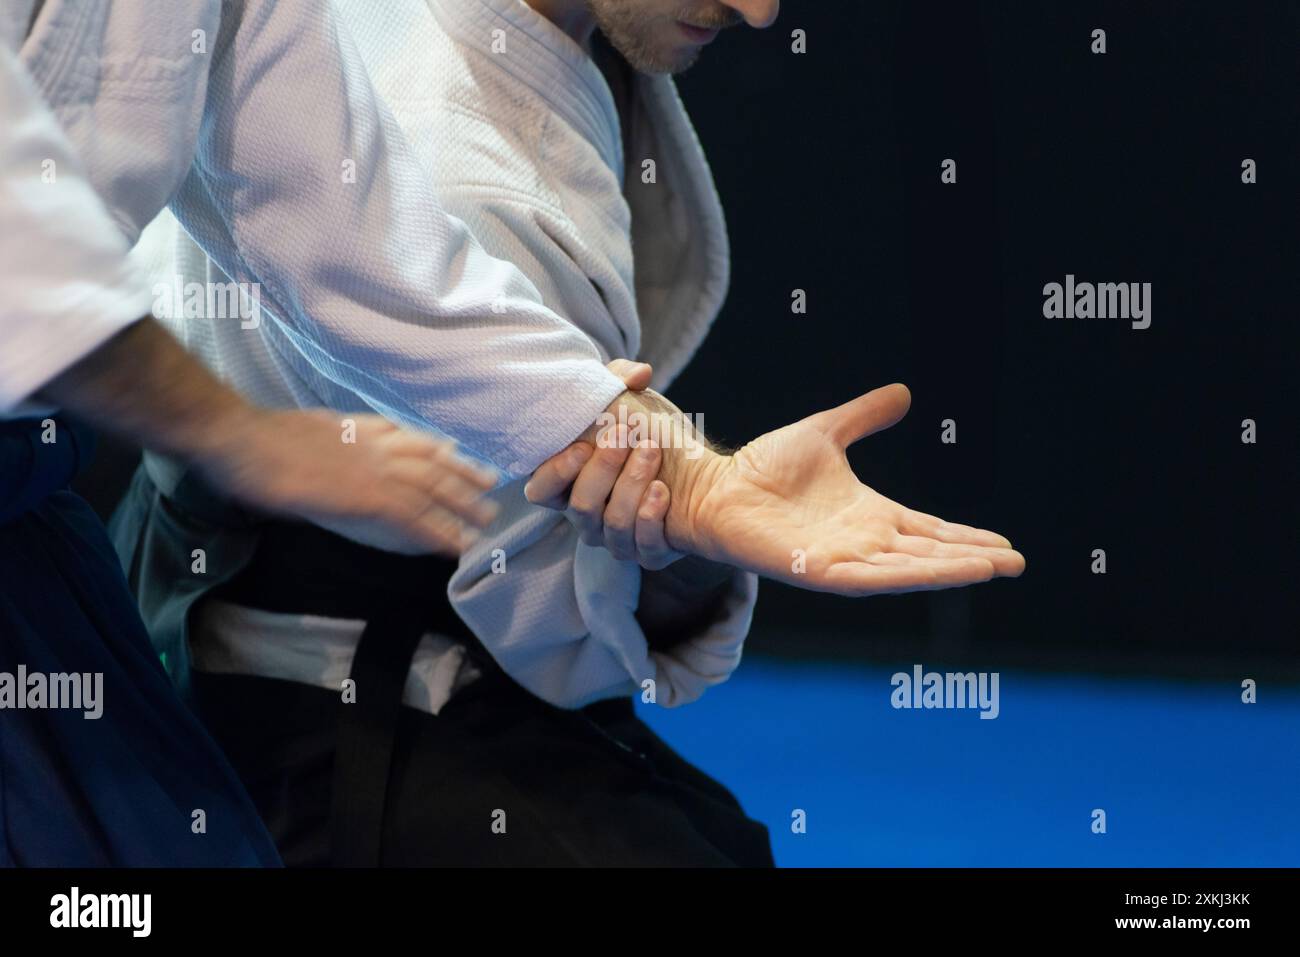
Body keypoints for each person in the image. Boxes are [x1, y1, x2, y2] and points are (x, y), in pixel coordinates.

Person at [118, 0, 1023, 865]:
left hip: (184, 575)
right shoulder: (468, 175)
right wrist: (692, 505)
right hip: (321, 699)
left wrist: (688, 509)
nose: (761, 14)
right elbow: (547, 630)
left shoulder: (525, 54)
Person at [0, 43, 497, 866]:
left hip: (35, 544)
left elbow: (324, 201)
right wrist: (234, 434)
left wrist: (608, 428)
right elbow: (15, 253)